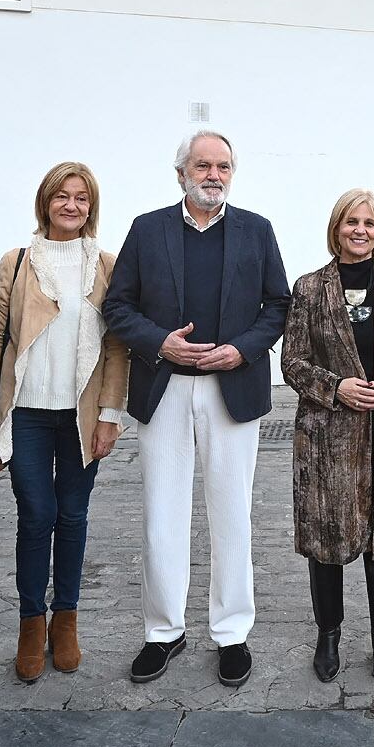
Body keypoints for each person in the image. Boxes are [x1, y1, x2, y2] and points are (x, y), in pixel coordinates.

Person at [102, 130, 290, 689]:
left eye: (223, 167)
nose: (214, 175)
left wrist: (244, 348)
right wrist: (161, 342)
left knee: (232, 514)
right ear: (181, 172)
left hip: (231, 388)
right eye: (203, 165)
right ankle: (164, 631)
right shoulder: (146, 229)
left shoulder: (257, 230)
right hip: (165, 387)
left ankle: (231, 632)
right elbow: (118, 305)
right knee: (163, 512)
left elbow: (277, 303)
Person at [0, 162, 130, 682]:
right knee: (36, 513)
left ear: (91, 207)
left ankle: (66, 620)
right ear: (45, 201)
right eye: (62, 196)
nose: (71, 206)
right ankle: (31, 622)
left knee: (72, 515)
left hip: (81, 415)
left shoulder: (108, 266)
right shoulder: (17, 262)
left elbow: (117, 346)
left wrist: (110, 415)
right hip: (25, 412)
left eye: (82, 198)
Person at [282, 189, 374, 685]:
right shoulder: (308, 289)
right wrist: (335, 387)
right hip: (327, 440)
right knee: (326, 541)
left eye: (369, 222)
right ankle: (329, 635)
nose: (360, 230)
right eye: (351, 222)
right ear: (336, 228)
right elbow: (293, 362)